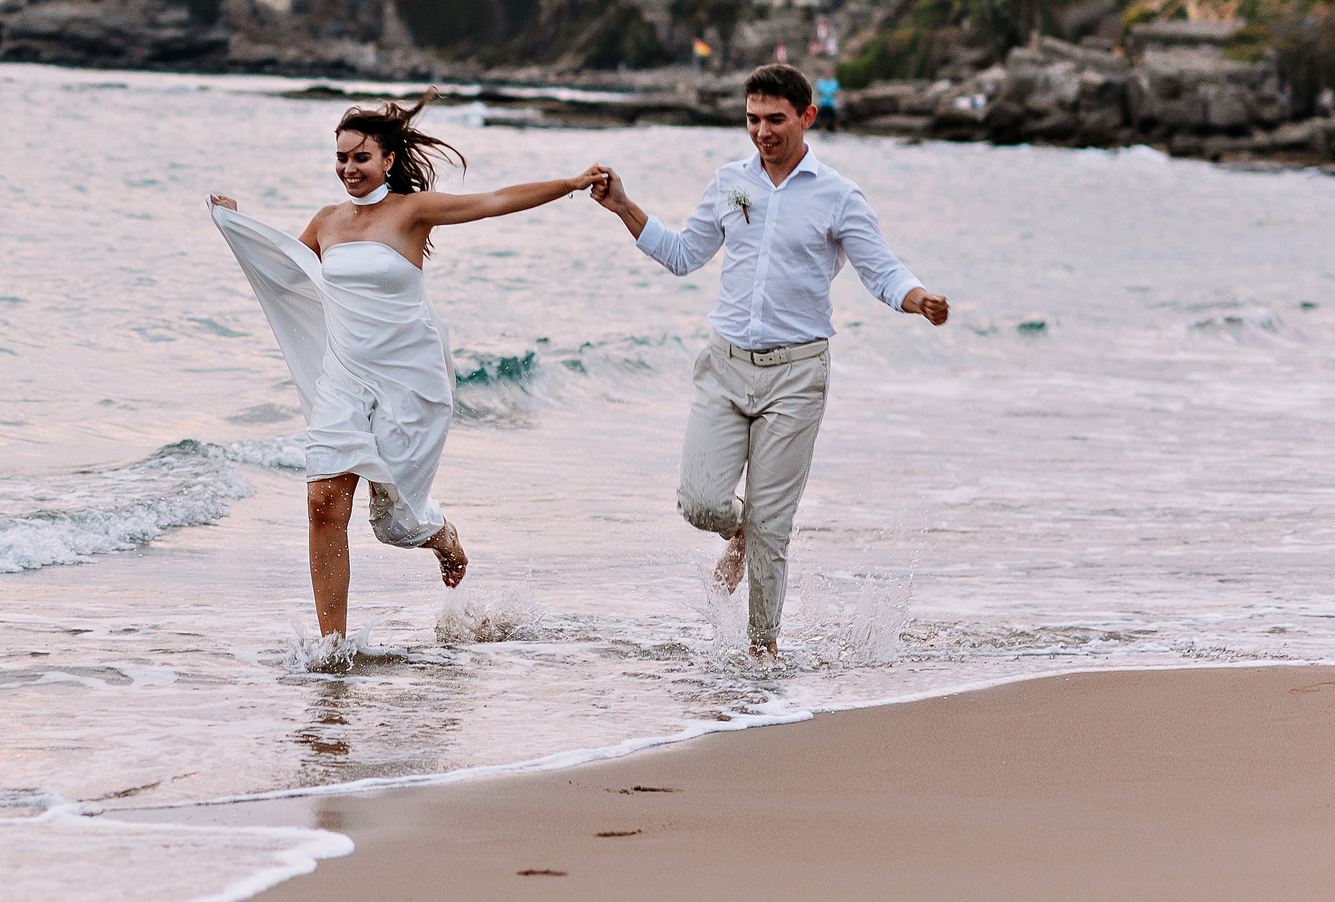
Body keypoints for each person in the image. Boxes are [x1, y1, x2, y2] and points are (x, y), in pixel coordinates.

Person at [210, 96, 604, 643]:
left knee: (394, 524)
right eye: (341, 158)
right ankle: (333, 647)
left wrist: (570, 183)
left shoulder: (411, 212)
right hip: (344, 378)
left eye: (361, 157)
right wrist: (236, 224)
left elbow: (494, 201)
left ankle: (443, 537)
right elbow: (283, 274)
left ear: (389, 159)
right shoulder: (325, 222)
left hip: (407, 377)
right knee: (324, 503)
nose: (349, 168)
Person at [587, 63, 949, 657]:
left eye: (775, 119)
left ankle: (763, 655)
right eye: (752, 119)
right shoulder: (731, 182)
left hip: (797, 376)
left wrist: (919, 300)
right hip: (725, 367)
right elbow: (682, 255)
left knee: (773, 530)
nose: (761, 132)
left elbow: (881, 270)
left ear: (807, 117)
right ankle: (739, 532)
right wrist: (623, 206)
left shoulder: (838, 196)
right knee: (698, 500)